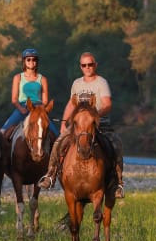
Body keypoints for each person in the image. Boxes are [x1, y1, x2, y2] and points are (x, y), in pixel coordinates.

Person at [38, 51, 124, 198]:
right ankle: (50, 175)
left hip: (97, 123)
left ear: (95, 65)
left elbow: (107, 104)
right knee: (59, 142)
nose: (87, 67)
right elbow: (71, 105)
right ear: (81, 67)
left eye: (90, 64)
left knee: (115, 144)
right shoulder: (77, 83)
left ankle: (118, 182)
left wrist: (94, 115)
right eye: (84, 65)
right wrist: (64, 124)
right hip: (78, 125)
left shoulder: (101, 82)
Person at [0, 48, 59, 137]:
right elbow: (14, 99)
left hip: (38, 108)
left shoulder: (42, 79)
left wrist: (40, 110)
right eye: (28, 59)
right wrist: (21, 109)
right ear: (24, 61)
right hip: (23, 107)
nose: (31, 61)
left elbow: (45, 100)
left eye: (34, 59)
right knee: (2, 132)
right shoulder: (18, 77)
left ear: (37, 61)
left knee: (55, 134)